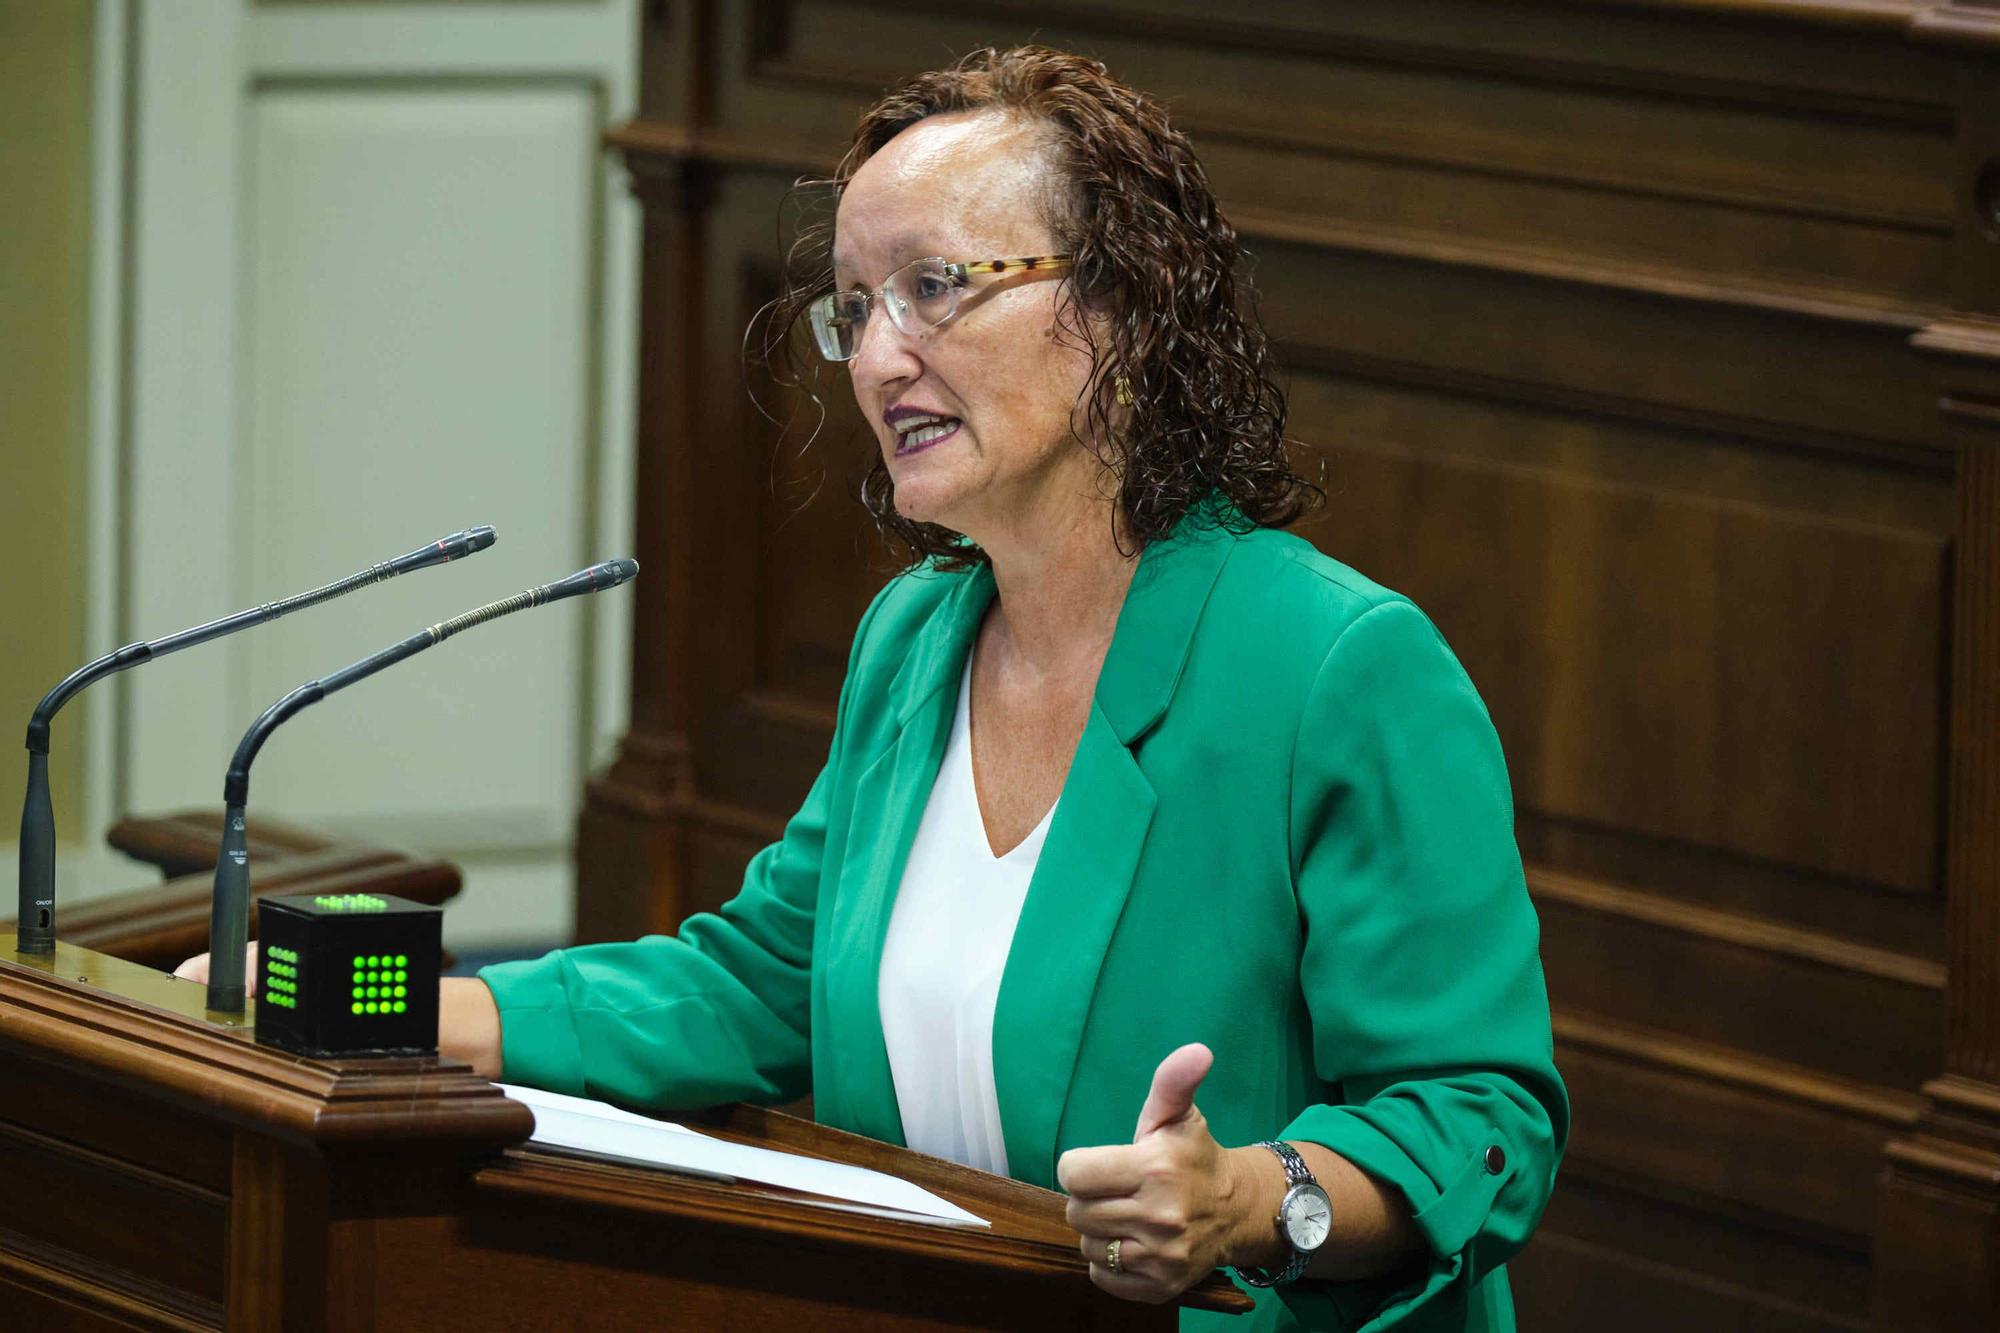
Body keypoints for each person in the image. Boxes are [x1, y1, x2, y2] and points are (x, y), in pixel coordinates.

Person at [184, 45, 1566, 1332]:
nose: (883, 353)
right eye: (854, 308)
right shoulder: (917, 637)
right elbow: (758, 981)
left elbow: (1480, 1111)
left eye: (935, 286)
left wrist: (1255, 1198)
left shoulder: (1334, 664)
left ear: (1123, 308)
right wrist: (376, 998)